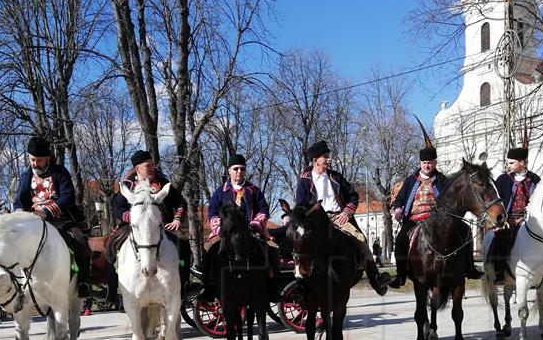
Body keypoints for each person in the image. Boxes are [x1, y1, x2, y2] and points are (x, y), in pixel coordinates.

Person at [389, 128, 484, 288]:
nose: (427, 165)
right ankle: (400, 275)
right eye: (424, 163)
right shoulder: (411, 180)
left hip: (439, 221)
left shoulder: (442, 180)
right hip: (415, 220)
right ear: (420, 163)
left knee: (466, 230)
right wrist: (398, 209)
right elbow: (399, 200)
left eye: (430, 162)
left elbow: (453, 199)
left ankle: (470, 268)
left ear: (435, 163)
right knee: (400, 239)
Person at [294, 140, 391, 296]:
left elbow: (353, 196)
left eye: (328, 156)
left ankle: (376, 280)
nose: (328, 159)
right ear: (315, 160)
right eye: (325, 156)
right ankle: (302, 279)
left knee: (360, 238)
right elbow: (300, 205)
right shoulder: (304, 180)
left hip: (337, 217)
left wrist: (346, 212)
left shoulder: (336, 177)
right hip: (315, 220)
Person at [14, 136, 92, 297]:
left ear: (48, 158)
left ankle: (83, 281)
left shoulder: (60, 172)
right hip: (32, 221)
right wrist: (19, 211)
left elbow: (68, 197)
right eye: (32, 160)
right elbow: (18, 201)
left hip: (61, 220)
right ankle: (16, 283)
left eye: (38, 160)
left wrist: (47, 212)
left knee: (80, 241)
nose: (35, 164)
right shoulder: (25, 176)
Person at [201, 153, 278, 301]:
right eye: (235, 168)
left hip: (251, 231)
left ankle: (271, 286)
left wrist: (256, 224)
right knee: (207, 248)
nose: (239, 172)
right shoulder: (220, 192)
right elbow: (212, 212)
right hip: (225, 232)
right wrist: (219, 228)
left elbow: (263, 209)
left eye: (242, 169)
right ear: (229, 170)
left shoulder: (253, 190)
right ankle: (209, 287)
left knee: (273, 248)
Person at [110, 150, 190, 291]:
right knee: (111, 245)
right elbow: (117, 208)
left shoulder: (163, 182)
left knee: (184, 245)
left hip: (162, 224)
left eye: (153, 165)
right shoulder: (127, 185)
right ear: (137, 169)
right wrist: (134, 218)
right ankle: (114, 289)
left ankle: (183, 285)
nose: (153, 168)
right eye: (148, 166)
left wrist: (177, 220)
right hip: (132, 225)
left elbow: (180, 202)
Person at [490, 145, 541, 281]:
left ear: (522, 162)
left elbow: (539, 202)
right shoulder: (502, 180)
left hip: (531, 219)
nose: (508, 165)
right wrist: (502, 220)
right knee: (500, 238)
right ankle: (499, 272)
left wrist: (526, 217)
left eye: (512, 163)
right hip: (509, 219)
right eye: (508, 162)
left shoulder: (535, 179)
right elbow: (497, 202)